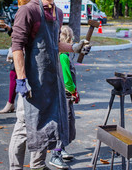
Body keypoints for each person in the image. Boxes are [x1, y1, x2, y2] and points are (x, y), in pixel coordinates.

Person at [9, 0, 91, 170]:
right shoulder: (28, 11)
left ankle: (37, 165)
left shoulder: (58, 12)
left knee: (44, 123)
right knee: (24, 126)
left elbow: (53, 44)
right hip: (30, 81)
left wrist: (74, 47)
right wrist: (21, 80)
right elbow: (17, 46)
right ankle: (15, 167)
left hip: (51, 79)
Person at [49, 26, 80, 169]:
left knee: (64, 122)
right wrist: (74, 92)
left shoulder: (57, 52)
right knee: (65, 123)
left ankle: (62, 149)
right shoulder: (63, 56)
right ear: (69, 39)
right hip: (65, 94)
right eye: (71, 38)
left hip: (58, 93)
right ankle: (56, 154)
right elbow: (67, 79)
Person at [0, 0, 31, 114]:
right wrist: (8, 28)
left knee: (17, 76)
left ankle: (13, 104)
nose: (19, 7)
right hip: (20, 50)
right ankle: (11, 104)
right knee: (14, 76)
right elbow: (17, 33)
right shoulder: (24, 13)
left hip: (23, 51)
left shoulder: (25, 13)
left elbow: (21, 35)